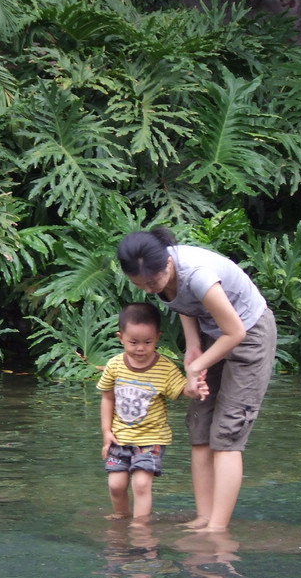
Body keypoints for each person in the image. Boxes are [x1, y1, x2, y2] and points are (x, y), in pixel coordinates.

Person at [116, 228, 277, 532]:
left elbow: (236, 332)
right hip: (213, 333)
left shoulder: (199, 275)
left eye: (152, 282)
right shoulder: (161, 277)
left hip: (248, 333)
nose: (149, 290)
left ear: (168, 263)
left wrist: (196, 366)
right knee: (200, 428)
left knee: (227, 434)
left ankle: (217, 528)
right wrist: (193, 346)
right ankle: (203, 516)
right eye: (140, 285)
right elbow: (182, 303)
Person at [98, 302, 208, 523]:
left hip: (151, 439)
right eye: (133, 342)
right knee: (115, 484)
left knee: (140, 484)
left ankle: (140, 525)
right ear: (121, 338)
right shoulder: (114, 366)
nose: (140, 348)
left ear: (157, 338)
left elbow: (183, 389)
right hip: (120, 437)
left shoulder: (165, 368)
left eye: (147, 342)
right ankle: (121, 516)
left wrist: (195, 389)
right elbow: (107, 397)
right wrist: (106, 431)